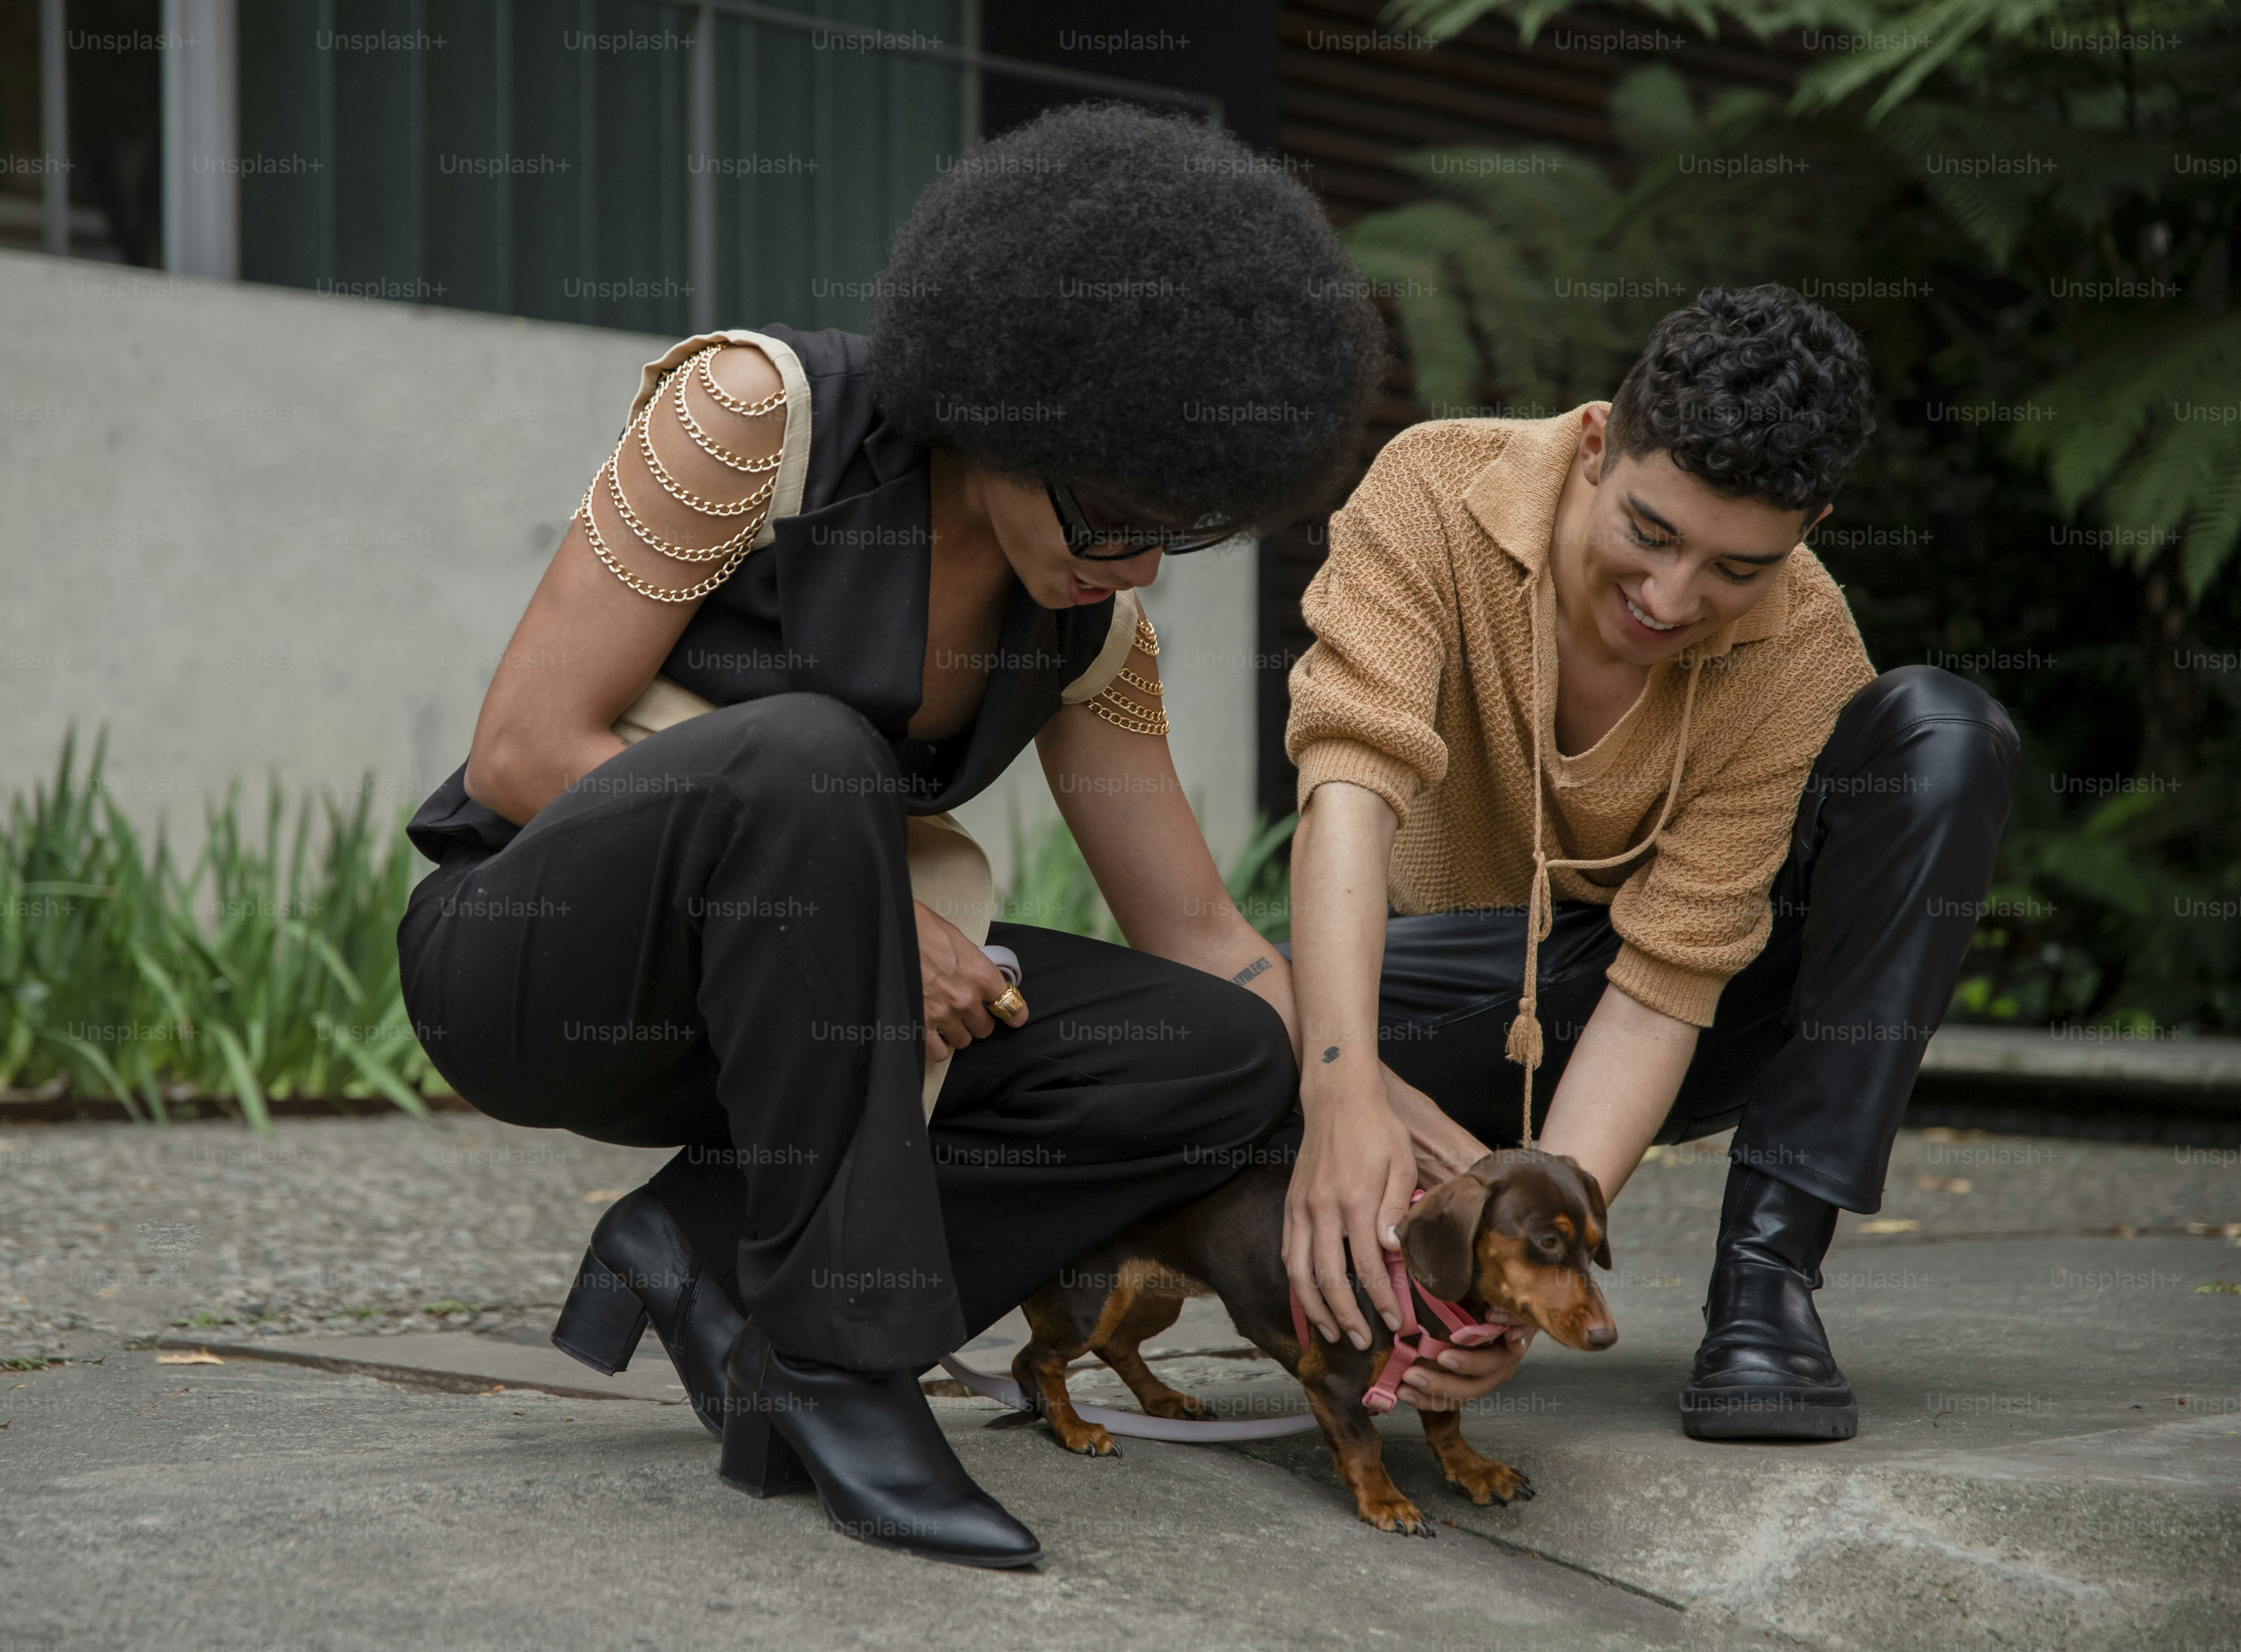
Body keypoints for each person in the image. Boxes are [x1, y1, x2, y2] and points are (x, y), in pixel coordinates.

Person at [395, 104, 1383, 1567]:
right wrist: (872, 922)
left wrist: (1368, 1103)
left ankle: (710, 1243)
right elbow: (524, 747)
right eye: (1108, 510)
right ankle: (834, 1359)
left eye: (1174, 528)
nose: (1128, 560)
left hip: (792, 1040)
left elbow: (1204, 938)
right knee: (807, 756)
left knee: (1214, 1054)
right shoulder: (758, 413)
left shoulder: (1089, 627)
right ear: (1000, 397)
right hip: (545, 963)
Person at [1280, 285, 2018, 1441]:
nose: (1671, 600)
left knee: (1943, 736)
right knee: (1216, 1025)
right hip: (1449, 999)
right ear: (1591, 447)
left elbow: (1661, 990)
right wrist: (1341, 1089)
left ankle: (1766, 1288)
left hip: (1670, 1012)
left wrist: (1515, 1295)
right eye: (1650, 532)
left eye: (1737, 569)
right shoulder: (1432, 488)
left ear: (1808, 526)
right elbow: (1346, 793)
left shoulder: (1800, 648)